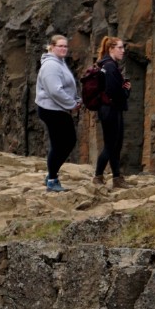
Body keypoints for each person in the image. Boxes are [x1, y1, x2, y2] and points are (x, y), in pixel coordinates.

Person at [34, 34, 81, 192]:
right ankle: (52, 179)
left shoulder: (59, 62)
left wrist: (75, 99)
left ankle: (51, 176)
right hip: (51, 110)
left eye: (66, 46)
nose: (63, 49)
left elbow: (65, 86)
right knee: (65, 142)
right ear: (52, 47)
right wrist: (72, 104)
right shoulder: (51, 66)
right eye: (60, 46)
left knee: (61, 143)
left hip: (57, 108)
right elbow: (55, 91)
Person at [89, 35, 133, 187]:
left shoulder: (107, 65)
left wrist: (123, 89)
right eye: (120, 48)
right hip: (110, 109)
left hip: (110, 109)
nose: (123, 51)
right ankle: (98, 176)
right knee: (111, 144)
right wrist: (126, 91)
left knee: (115, 144)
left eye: (123, 47)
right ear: (111, 49)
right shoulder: (110, 66)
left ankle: (116, 177)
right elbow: (114, 91)